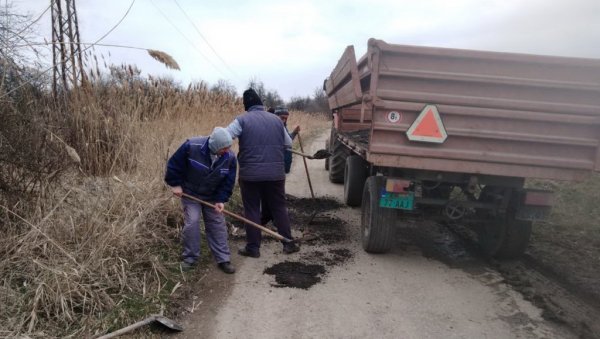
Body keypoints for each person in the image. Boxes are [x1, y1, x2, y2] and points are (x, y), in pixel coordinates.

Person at [227, 88, 300, 258]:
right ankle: (288, 243)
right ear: (261, 103)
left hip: (250, 175)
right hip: (276, 174)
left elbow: (225, 137)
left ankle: (253, 248)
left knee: (252, 208)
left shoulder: (241, 120)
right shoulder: (276, 120)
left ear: (246, 105)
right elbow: (288, 143)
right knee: (279, 207)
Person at [165, 127, 237, 274]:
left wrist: (221, 200)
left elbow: (228, 182)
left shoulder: (229, 158)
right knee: (192, 222)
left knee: (217, 223)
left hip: (212, 196)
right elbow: (174, 165)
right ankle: (190, 258)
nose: (227, 151)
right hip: (190, 194)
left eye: (228, 147)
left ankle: (223, 259)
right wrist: (175, 184)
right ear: (215, 145)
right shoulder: (191, 146)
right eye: (224, 148)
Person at [273, 106, 300, 174]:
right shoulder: (272, 127)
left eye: (286, 118)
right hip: (276, 165)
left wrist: (294, 133)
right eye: (282, 118)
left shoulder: (284, 127)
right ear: (276, 116)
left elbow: (288, 141)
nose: (284, 120)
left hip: (284, 166)